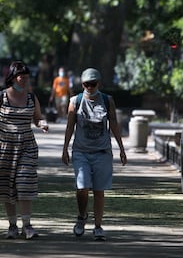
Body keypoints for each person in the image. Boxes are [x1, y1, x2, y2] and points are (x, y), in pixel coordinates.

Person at [0, 61, 49, 240]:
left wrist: (42, 124)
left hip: (27, 145)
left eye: (27, 78)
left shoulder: (31, 98)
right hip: (4, 147)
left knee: (24, 183)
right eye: (22, 78)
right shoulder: (0, 96)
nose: (25, 81)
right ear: (12, 78)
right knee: (6, 186)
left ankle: (27, 225)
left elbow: (37, 118)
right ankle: (12, 226)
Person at [62, 67, 127, 241]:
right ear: (82, 84)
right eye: (86, 84)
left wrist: (121, 148)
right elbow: (70, 126)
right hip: (81, 151)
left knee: (99, 190)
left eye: (93, 84)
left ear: (99, 83)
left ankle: (98, 226)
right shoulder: (75, 101)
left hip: (102, 152)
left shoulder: (107, 100)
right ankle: (82, 216)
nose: (90, 87)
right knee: (82, 187)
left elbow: (113, 124)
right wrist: (65, 149)